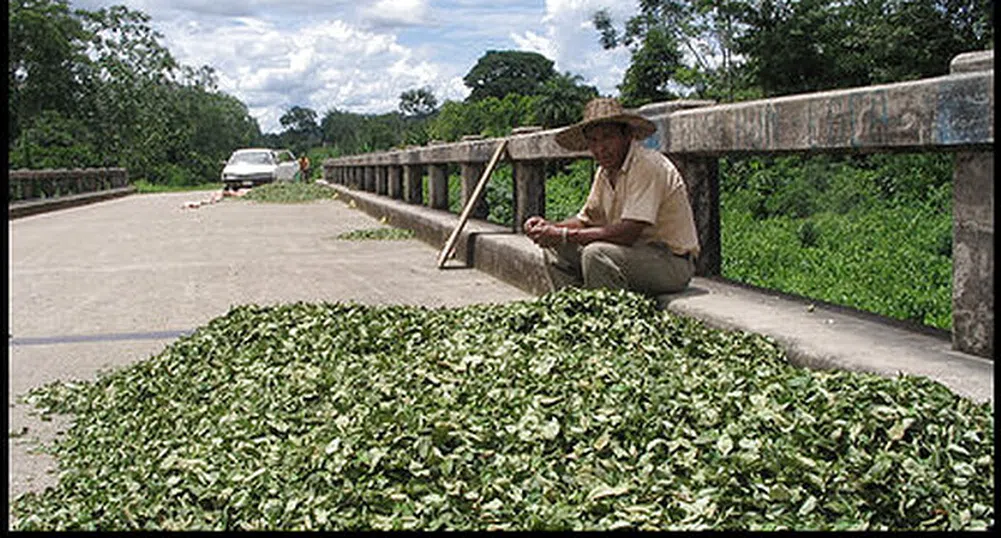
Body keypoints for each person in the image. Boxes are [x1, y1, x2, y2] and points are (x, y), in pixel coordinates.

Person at [524, 97, 700, 295]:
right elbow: (586, 220)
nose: (600, 148)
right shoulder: (605, 172)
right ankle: (575, 313)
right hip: (632, 253)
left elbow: (628, 233)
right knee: (555, 249)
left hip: (670, 262)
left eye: (608, 137)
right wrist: (549, 228)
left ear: (626, 135)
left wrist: (564, 235)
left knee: (596, 254)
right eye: (593, 140)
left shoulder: (646, 165)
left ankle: (606, 318)